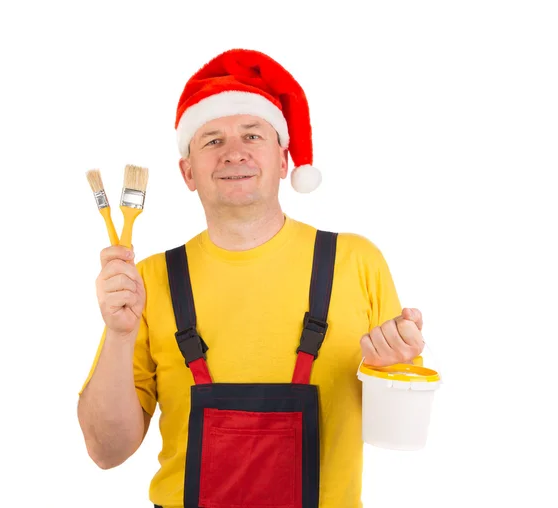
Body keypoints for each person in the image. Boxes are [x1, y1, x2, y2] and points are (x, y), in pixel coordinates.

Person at [77, 48, 425, 508]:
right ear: (188, 173)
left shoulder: (355, 261)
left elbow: (397, 435)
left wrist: (394, 372)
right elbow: (106, 451)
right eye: (212, 141)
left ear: (284, 161)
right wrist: (119, 335)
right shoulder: (147, 282)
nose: (234, 153)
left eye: (252, 134)